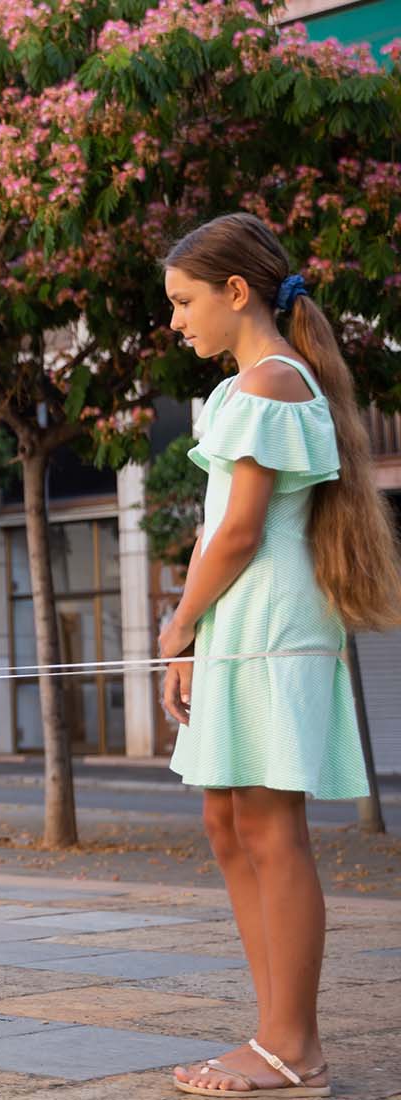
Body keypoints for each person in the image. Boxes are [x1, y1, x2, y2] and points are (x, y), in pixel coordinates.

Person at [162, 213, 401, 1098]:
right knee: (229, 826)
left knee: (270, 830)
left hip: (269, 632)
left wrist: (181, 624)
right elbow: (212, 527)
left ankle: (292, 1046)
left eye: (186, 302)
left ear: (236, 292)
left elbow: (241, 533)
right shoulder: (239, 391)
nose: (177, 321)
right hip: (237, 632)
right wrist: (189, 640)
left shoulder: (271, 387)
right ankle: (272, 1034)